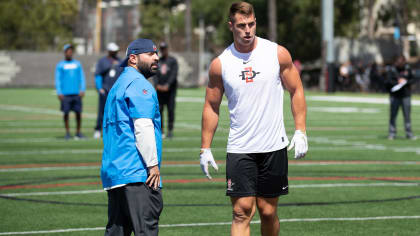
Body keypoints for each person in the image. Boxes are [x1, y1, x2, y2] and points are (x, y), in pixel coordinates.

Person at [199, 2, 308, 236]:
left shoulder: (276, 53)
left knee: (267, 211)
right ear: (231, 26)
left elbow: (296, 90)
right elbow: (211, 105)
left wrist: (300, 130)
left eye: (251, 24)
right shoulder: (221, 64)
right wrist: (205, 148)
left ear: (256, 22)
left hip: (273, 145)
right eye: (241, 26)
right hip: (240, 147)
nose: (247, 30)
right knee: (241, 211)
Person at [100, 38, 163, 235]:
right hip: (137, 173)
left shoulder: (119, 85)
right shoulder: (138, 84)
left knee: (117, 232)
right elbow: (142, 126)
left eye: (156, 53)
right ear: (133, 59)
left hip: (115, 173)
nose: (156, 57)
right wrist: (152, 164)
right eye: (151, 54)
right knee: (145, 229)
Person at [55, 44, 86, 140]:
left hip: (76, 93)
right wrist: (59, 92)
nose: (69, 52)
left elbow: (82, 77)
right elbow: (58, 79)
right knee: (66, 113)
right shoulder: (60, 65)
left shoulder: (77, 64)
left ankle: (78, 132)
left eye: (71, 51)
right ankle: (67, 132)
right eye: (68, 51)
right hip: (65, 94)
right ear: (65, 52)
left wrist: (82, 89)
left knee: (78, 113)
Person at [93, 42, 122, 139]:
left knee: (117, 112)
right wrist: (99, 88)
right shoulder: (102, 61)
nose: (115, 53)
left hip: (117, 92)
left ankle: (114, 130)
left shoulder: (120, 61)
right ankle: (98, 129)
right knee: (102, 111)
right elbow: (98, 75)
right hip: (105, 91)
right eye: (113, 51)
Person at [385, 55, 417, 140]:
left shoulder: (408, 68)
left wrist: (405, 82)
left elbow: (413, 79)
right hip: (395, 96)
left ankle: (409, 133)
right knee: (393, 115)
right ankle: (392, 133)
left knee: (407, 115)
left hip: (406, 95)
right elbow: (388, 81)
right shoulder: (392, 69)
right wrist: (397, 82)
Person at [154, 42, 178, 138]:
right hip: (160, 91)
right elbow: (155, 74)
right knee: (159, 111)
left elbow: (174, 74)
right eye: (162, 49)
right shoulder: (158, 61)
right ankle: (161, 130)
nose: (163, 50)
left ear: (167, 49)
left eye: (164, 48)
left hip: (170, 91)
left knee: (170, 110)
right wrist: (157, 85)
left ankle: (170, 130)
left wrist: (168, 85)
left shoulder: (172, 61)